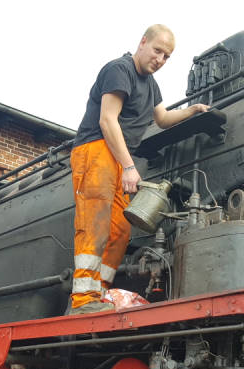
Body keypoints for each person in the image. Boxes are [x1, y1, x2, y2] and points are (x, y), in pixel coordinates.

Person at [68, 24, 209, 315]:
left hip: (117, 158)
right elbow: (108, 120)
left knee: (119, 230)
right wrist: (130, 166)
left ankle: (99, 293)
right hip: (96, 150)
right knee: (95, 223)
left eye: (167, 56)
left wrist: (192, 110)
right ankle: (82, 299)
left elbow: (162, 118)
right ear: (143, 42)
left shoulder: (150, 84)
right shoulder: (119, 70)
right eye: (157, 51)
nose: (160, 59)